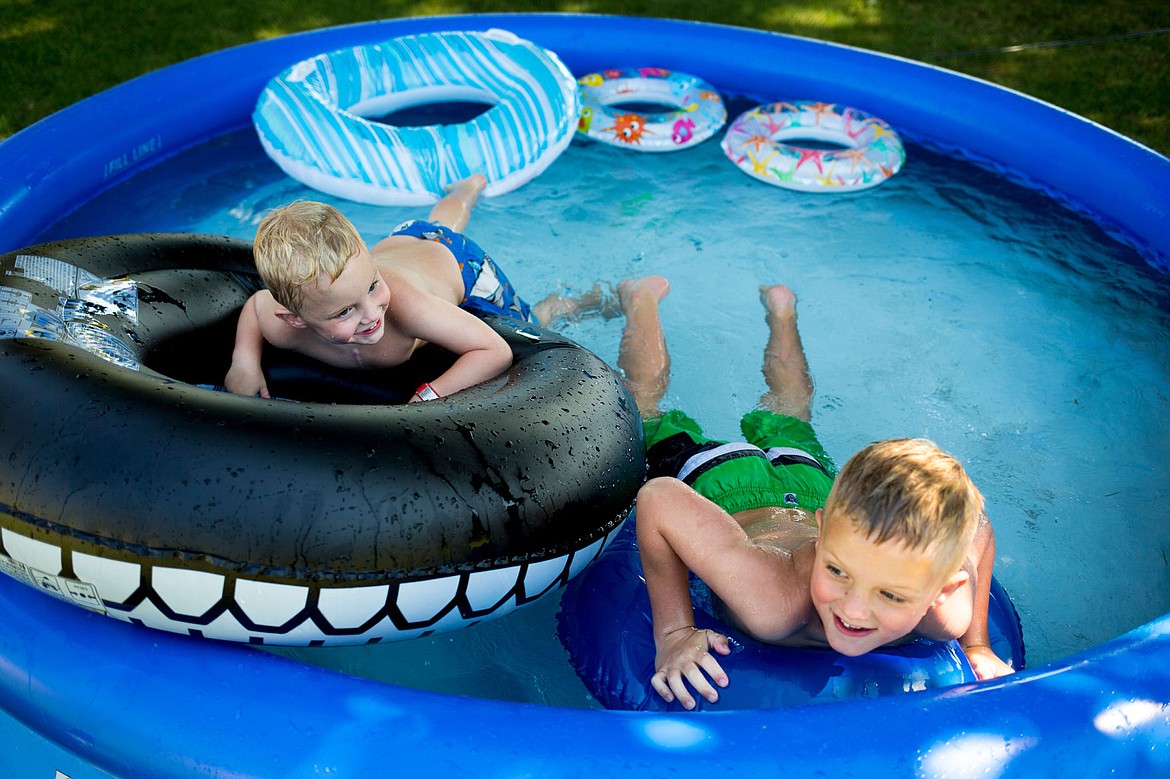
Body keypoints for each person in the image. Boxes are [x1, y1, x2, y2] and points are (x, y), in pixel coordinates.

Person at [615, 275, 1015, 710]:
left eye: (891, 594)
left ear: (944, 586)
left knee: (791, 413)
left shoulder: (949, 610)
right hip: (725, 487)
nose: (854, 610)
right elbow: (659, 496)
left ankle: (783, 311)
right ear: (822, 532)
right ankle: (641, 299)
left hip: (812, 489)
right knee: (645, 410)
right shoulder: (772, 601)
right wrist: (674, 632)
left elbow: (978, 525)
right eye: (838, 572)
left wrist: (977, 645)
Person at [224, 174, 599, 399]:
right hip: (402, 249)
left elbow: (494, 350)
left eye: (373, 287)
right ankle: (465, 190)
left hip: (456, 265)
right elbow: (258, 305)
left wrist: (427, 398)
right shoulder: (281, 323)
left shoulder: (404, 307)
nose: (372, 314)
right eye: (343, 311)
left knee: (532, 322)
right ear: (296, 320)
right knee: (440, 221)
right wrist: (244, 360)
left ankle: (568, 302)